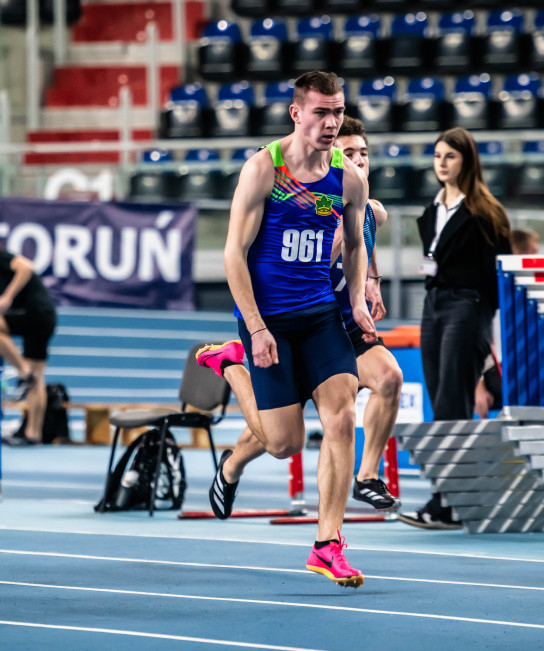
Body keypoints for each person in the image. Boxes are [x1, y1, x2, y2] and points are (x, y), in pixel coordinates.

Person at [203, 71, 374, 588]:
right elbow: (232, 253)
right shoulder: (263, 171)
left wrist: (358, 294)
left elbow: (356, 240)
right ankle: (232, 366)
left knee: (342, 417)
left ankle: (328, 543)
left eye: (337, 112)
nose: (331, 122)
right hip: (267, 319)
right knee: (283, 445)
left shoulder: (348, 177)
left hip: (321, 313)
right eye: (321, 112)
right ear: (297, 114)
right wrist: (254, 328)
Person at [198, 116, 404, 516]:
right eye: (348, 153)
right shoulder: (321, 201)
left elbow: (362, 235)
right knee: (280, 439)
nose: (358, 160)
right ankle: (232, 462)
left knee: (389, 378)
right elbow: (324, 242)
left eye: (364, 153)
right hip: (305, 316)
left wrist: (371, 281)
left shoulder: (370, 209)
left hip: (346, 323)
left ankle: (365, 476)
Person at [397, 128, 512, 529]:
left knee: (452, 404)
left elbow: (499, 279)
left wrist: (484, 330)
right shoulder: (433, 209)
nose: (441, 163)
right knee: (440, 400)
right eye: (437, 156)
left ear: (467, 161)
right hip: (434, 306)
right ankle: (453, 496)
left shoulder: (486, 212)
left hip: (468, 306)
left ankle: (448, 501)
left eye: (450, 156)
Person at [0, 238, 57, 445]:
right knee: (38, 377)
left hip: (35, 313)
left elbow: (26, 266)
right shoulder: (0, 276)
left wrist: (7, 297)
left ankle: (22, 370)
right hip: (45, 317)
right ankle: (33, 434)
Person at [473, 228, 538, 419]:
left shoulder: (532, 297)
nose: (538, 258)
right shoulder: (494, 295)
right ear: (518, 255)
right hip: (498, 373)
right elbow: (477, 340)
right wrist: (478, 384)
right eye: (534, 253)